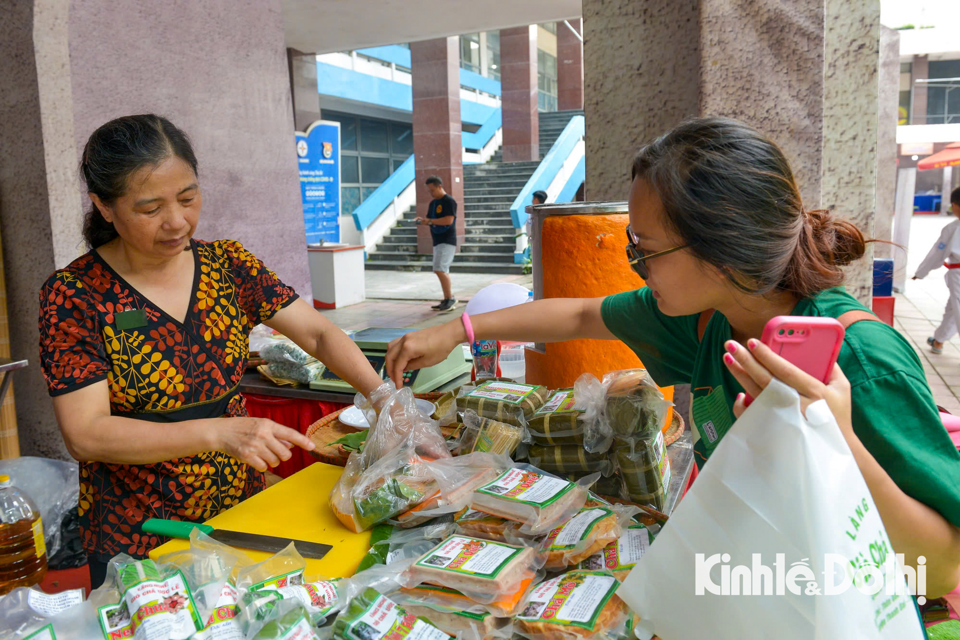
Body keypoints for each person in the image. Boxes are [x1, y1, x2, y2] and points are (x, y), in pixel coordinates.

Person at [386, 118, 960, 597]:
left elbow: (937, 570)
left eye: (647, 251)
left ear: (724, 252)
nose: (636, 264)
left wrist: (840, 440)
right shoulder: (710, 320)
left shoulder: (860, 363)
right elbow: (582, 315)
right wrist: (461, 329)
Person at [39, 115, 386, 587]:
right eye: (149, 208)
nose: (177, 221)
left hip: (239, 507)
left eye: (188, 198)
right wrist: (219, 434)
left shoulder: (227, 264)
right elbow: (87, 433)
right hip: (138, 530)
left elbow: (319, 335)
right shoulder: (75, 294)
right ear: (104, 206)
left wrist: (386, 399)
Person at [913, 187, 960, 354]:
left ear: (955, 205)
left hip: (959, 275)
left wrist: (920, 273)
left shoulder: (953, 228)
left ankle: (939, 340)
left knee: (957, 308)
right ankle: (939, 340)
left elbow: (937, 254)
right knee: (953, 308)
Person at [416, 176, 458, 312]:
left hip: (447, 240)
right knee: (439, 268)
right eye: (429, 191)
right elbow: (430, 219)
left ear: (440, 186)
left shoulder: (449, 201)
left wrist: (430, 222)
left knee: (440, 269)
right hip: (437, 240)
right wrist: (423, 221)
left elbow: (448, 220)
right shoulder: (433, 203)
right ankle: (447, 298)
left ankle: (450, 298)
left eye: (432, 190)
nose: (431, 193)